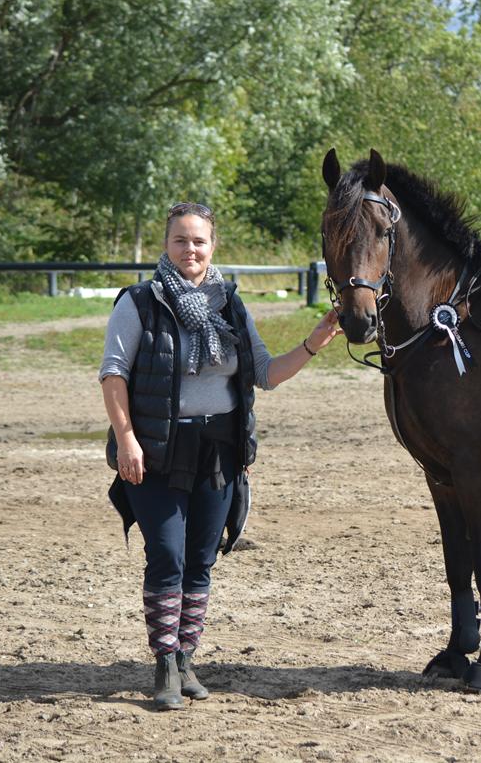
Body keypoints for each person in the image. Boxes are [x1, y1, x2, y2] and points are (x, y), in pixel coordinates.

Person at [99, 201, 341, 710]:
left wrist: (313, 343)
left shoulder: (229, 304)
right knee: (166, 555)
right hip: (157, 450)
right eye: (181, 240)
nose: (191, 249)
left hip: (219, 451)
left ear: (214, 247)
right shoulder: (140, 302)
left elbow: (264, 373)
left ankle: (186, 658)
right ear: (167, 245)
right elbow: (114, 374)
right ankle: (164, 662)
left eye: (199, 241)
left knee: (202, 562)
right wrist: (126, 439)